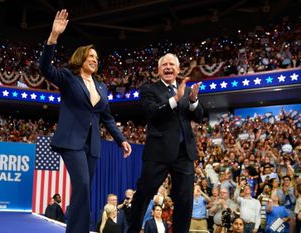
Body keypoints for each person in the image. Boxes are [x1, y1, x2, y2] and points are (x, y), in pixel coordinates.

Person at [39, 9, 132, 233]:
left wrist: (121, 140)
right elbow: (45, 68)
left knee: (85, 189)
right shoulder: (69, 77)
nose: (95, 60)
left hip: (93, 145)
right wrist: (53, 37)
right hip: (71, 141)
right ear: (81, 57)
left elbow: (107, 117)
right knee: (81, 184)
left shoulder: (101, 87)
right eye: (91, 56)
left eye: (97, 58)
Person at [127, 52, 203, 233]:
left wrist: (192, 101)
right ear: (159, 70)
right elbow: (151, 112)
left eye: (172, 65)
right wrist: (175, 99)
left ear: (177, 70)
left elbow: (199, 116)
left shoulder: (185, 90)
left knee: (185, 200)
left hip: (184, 153)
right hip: (158, 152)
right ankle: (132, 230)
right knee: (144, 194)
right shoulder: (149, 89)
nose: (168, 67)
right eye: (164, 65)